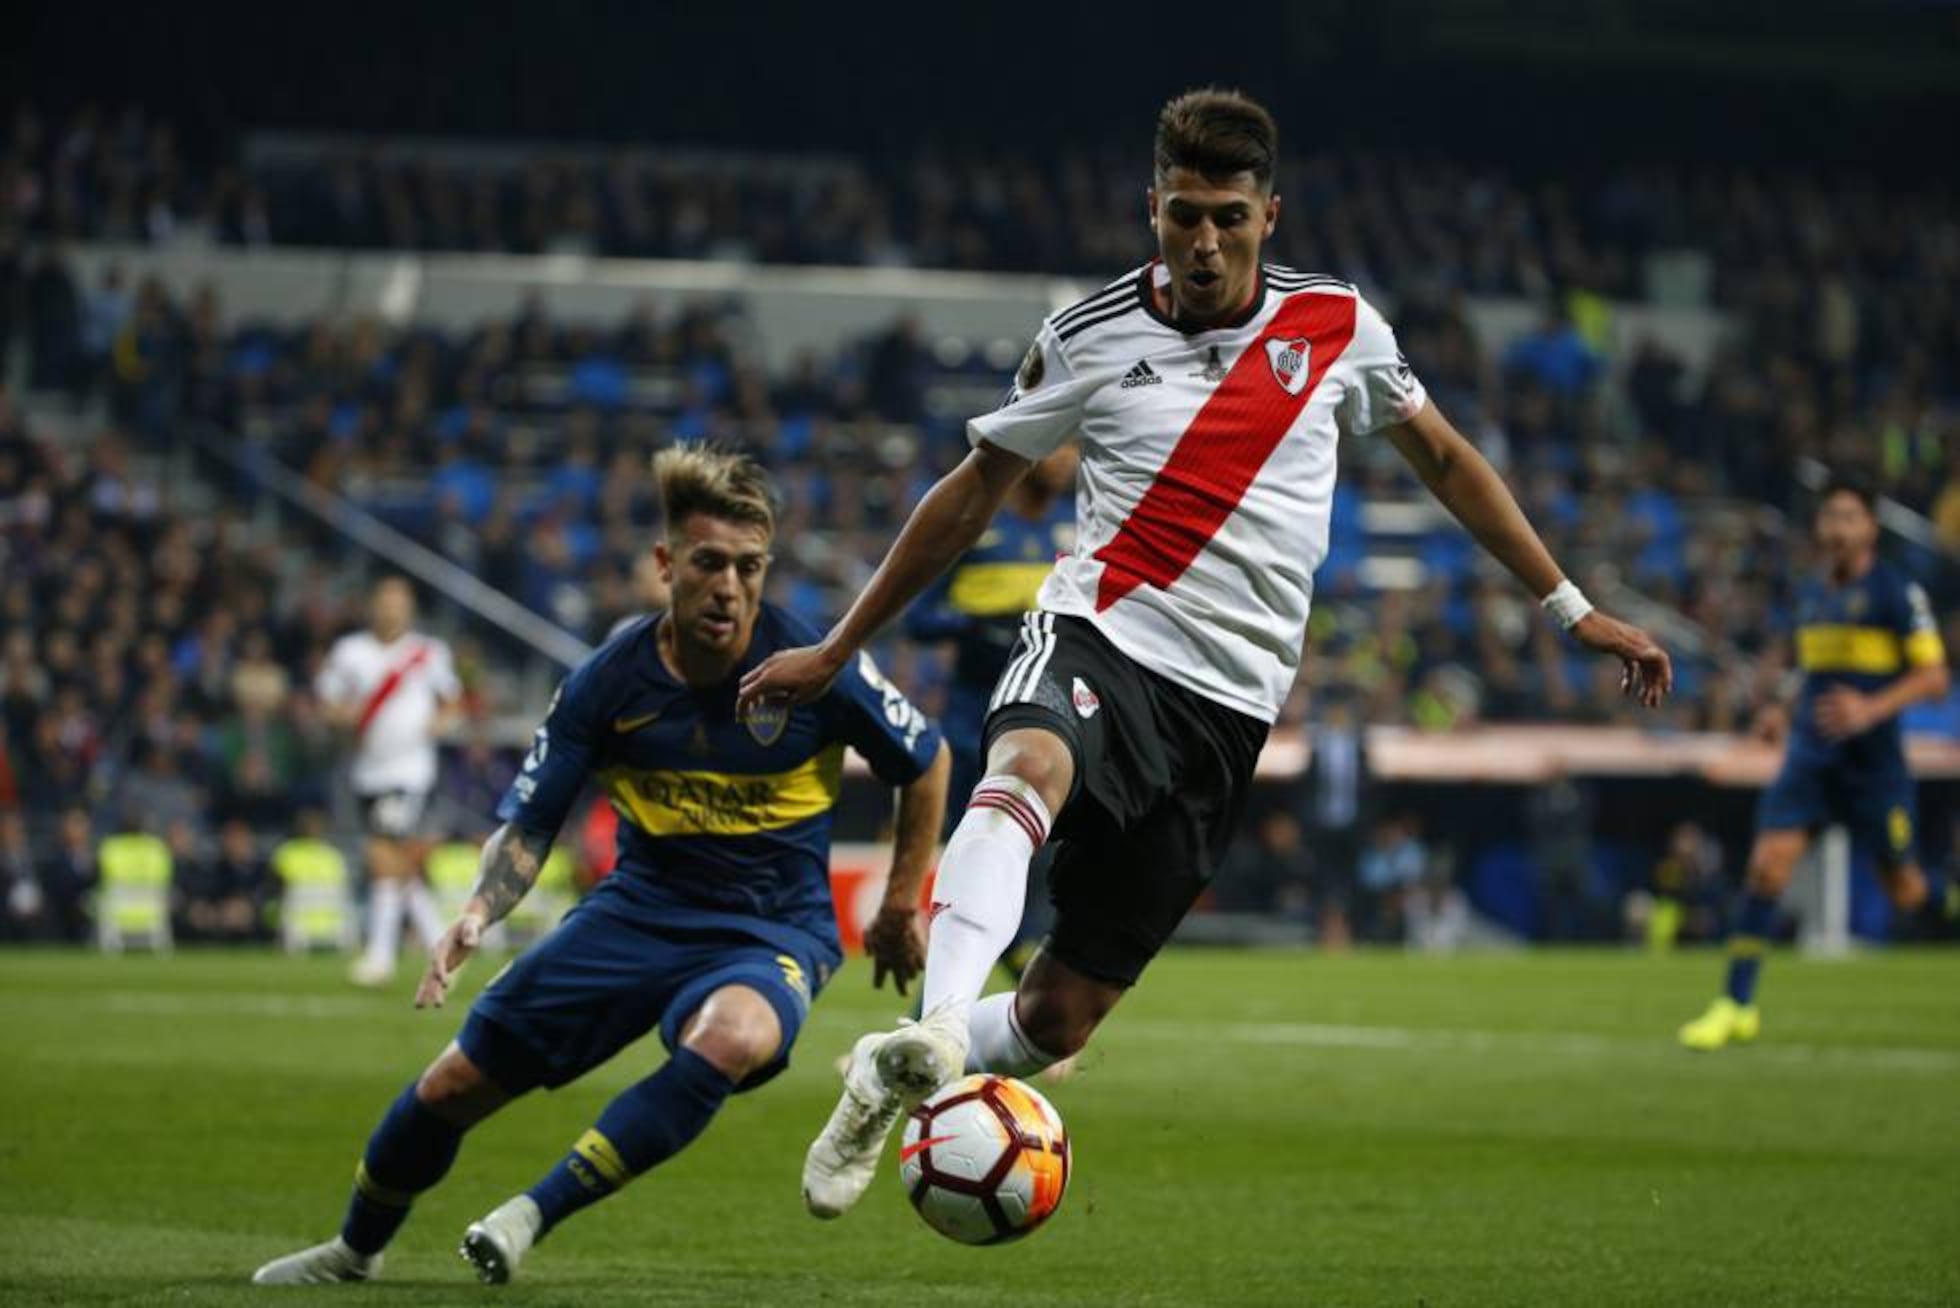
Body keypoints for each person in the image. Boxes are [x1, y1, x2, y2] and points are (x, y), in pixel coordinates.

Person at [738, 87, 1672, 1220]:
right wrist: (840, 645)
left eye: (1228, 215)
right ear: (1153, 209)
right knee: (1022, 768)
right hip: (1101, 638)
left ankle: (892, 1072)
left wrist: (1571, 606)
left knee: (1058, 1018)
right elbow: (971, 491)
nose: (1204, 240)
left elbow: (1445, 461)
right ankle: (937, 1026)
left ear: (1269, 215)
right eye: (1183, 213)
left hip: (1227, 713)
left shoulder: (1337, 328)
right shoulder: (1084, 336)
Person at [251, 445, 948, 1286]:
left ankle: (529, 1213)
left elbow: (928, 759)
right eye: (709, 564)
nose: (729, 586)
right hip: (637, 914)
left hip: (770, 930)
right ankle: (354, 1250)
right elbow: (530, 820)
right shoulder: (607, 682)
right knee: (452, 1085)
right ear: (665, 565)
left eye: (750, 567)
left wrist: (901, 902)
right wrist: (477, 911)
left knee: (733, 1035)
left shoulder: (816, 664)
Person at [1679, 480, 1948, 1051]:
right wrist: (1780, 709)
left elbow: (1934, 678)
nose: (1836, 528)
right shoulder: (1812, 595)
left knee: (1905, 889)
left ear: (1870, 528)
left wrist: (1868, 708)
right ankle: (1735, 1004)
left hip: (1873, 765)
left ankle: (1945, 906)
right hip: (1810, 757)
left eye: (1849, 517)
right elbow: (1810, 670)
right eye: (1829, 516)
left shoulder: (1897, 593)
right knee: (1767, 868)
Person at [905, 445, 1078, 982]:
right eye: (1061, 446)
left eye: (1076, 448)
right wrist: (978, 625)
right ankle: (1020, 993)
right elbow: (920, 618)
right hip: (971, 716)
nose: (1069, 459)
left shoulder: (1076, 531)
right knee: (974, 852)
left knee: (1039, 855)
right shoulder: (977, 526)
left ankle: (966, 1008)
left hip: (1046, 714)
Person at [316, 576, 463, 986]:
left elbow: (452, 699)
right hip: (365, 769)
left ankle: (379, 956)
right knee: (397, 862)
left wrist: (438, 723)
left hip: (410, 771)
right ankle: (445, 943)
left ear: (410, 609)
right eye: (384, 601)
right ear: (372, 605)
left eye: (399, 602)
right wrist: (339, 716)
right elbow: (327, 700)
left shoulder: (427, 652)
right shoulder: (350, 651)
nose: (391, 610)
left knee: (382, 855)